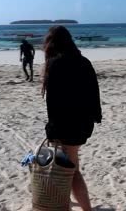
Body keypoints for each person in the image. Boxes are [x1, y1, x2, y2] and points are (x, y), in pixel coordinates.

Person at [42, 26, 102, 211]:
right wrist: (95, 117)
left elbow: (53, 104)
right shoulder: (84, 61)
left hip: (64, 126)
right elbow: (94, 92)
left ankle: (80, 208)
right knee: (72, 169)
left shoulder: (55, 64)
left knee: (69, 172)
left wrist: (51, 131)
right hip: (82, 125)